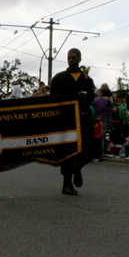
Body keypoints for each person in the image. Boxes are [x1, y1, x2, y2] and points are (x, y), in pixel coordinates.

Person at [50, 48, 95, 196]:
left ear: (80, 59)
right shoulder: (59, 78)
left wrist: (84, 98)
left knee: (88, 150)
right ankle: (67, 183)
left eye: (74, 58)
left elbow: (91, 98)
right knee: (68, 152)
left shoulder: (87, 80)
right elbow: (52, 100)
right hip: (66, 120)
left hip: (83, 118)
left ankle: (78, 168)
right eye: (69, 58)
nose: (71, 60)